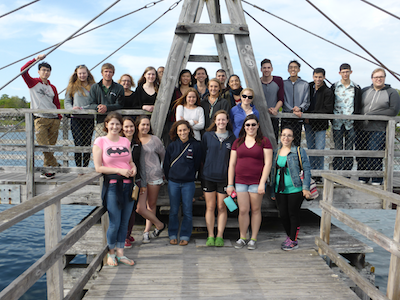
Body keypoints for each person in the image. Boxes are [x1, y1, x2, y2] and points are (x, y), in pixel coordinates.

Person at [92, 112, 136, 266]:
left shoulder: (125, 141)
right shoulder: (100, 141)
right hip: (112, 185)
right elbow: (98, 168)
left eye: (118, 124)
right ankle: (111, 253)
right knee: (115, 222)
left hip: (128, 185)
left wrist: (133, 167)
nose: (115, 126)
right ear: (106, 125)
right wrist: (119, 171)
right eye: (112, 123)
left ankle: (121, 253)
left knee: (125, 222)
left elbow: (130, 161)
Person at [227, 115, 273, 250]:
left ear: (258, 125)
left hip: (256, 182)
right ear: (244, 127)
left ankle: (253, 238)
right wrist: (230, 184)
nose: (250, 127)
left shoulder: (264, 141)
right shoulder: (238, 142)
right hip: (240, 181)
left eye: (253, 124)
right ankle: (242, 237)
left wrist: (262, 183)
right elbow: (232, 164)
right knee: (243, 210)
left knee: (256, 209)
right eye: (248, 125)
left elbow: (268, 163)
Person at [270, 126, 311, 251]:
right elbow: (272, 173)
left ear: (293, 138)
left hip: (295, 189)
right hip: (280, 190)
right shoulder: (276, 152)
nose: (285, 138)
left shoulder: (298, 151)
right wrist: (272, 190)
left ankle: (293, 240)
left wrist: (306, 188)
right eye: (283, 135)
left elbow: (307, 170)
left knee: (293, 214)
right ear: (280, 137)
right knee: (283, 215)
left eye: (289, 135)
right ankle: (289, 236)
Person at [356, 68, 400, 185]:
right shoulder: (365, 90)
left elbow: (393, 111)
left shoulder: (391, 92)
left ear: (384, 78)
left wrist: (372, 115)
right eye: (376, 77)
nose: (378, 79)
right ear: (372, 78)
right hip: (361, 128)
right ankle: (363, 177)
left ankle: (376, 178)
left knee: (374, 153)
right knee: (361, 154)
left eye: (381, 77)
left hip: (378, 129)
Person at [21, 53, 61, 179]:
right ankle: (55, 165)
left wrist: (59, 116)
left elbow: (57, 103)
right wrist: (36, 59)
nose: (46, 72)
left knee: (51, 146)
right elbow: (23, 71)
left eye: (48, 70)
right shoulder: (33, 83)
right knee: (43, 145)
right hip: (40, 118)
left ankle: (47, 171)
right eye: (43, 70)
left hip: (54, 119)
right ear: (39, 71)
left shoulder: (52, 87)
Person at [163, 120, 202, 246]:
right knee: (174, 210)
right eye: (180, 130)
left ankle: (185, 234)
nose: (183, 132)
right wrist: (171, 178)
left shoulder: (195, 145)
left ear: (189, 130)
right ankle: (173, 234)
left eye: (185, 129)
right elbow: (166, 165)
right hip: (173, 182)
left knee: (187, 210)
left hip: (188, 183)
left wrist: (190, 175)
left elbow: (197, 164)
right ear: (176, 132)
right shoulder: (172, 146)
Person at [201, 110, 236, 247]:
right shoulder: (207, 136)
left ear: (227, 121)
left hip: (224, 178)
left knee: (222, 207)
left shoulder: (233, 138)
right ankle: (210, 235)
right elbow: (203, 156)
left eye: (224, 119)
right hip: (208, 176)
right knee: (210, 206)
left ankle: (220, 235)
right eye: (218, 120)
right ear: (214, 121)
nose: (221, 122)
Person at [136, 115, 167, 243]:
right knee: (139, 208)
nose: (145, 127)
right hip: (140, 178)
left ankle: (146, 232)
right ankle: (160, 224)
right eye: (143, 124)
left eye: (147, 124)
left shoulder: (155, 139)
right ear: (137, 125)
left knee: (151, 204)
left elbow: (164, 156)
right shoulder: (134, 140)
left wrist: (162, 170)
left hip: (154, 176)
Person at [304, 68, 334, 183]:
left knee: (320, 150)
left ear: (324, 77)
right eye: (316, 77)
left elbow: (328, 109)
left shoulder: (327, 91)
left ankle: (319, 173)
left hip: (320, 124)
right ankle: (312, 173)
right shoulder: (309, 87)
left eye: (320, 77)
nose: (318, 79)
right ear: (313, 77)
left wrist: (310, 115)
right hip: (308, 124)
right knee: (311, 149)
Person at [331, 63, 362, 173]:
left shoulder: (356, 88)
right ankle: (337, 172)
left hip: (351, 123)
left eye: (347, 71)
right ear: (340, 73)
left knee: (349, 149)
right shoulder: (334, 86)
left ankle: (347, 173)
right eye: (343, 72)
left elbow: (359, 104)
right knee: (338, 148)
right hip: (337, 122)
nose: (345, 74)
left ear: (350, 72)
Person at [121, 116, 146, 248]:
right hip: (121, 180)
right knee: (123, 208)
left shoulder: (137, 143)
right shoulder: (118, 143)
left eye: (131, 126)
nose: (129, 129)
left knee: (131, 209)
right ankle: (123, 236)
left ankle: (128, 233)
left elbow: (141, 164)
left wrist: (143, 183)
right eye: (126, 127)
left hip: (135, 181)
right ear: (122, 128)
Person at [65, 65, 96, 169]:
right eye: (80, 73)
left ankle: (85, 167)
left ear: (87, 74)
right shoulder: (72, 86)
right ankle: (79, 168)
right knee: (78, 143)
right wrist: (72, 108)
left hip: (89, 118)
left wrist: (84, 108)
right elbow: (67, 101)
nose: (82, 75)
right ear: (77, 74)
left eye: (84, 73)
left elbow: (95, 102)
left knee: (87, 144)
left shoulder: (93, 86)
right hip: (76, 118)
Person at [88, 63, 124, 138]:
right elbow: (91, 104)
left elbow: (120, 104)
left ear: (113, 73)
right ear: (102, 73)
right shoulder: (95, 87)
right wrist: (98, 107)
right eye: (106, 71)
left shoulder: (119, 88)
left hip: (116, 122)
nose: (108, 74)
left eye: (110, 72)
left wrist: (107, 108)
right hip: (101, 122)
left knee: (115, 144)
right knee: (99, 145)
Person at [282, 60, 310, 146]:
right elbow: (282, 100)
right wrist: (291, 110)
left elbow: (306, 101)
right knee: (285, 143)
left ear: (299, 70)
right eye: (291, 67)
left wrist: (299, 108)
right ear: (288, 70)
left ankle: (296, 159)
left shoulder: (305, 84)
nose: (293, 69)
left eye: (295, 67)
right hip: (286, 118)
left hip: (298, 119)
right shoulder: (283, 84)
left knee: (297, 143)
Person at [164, 69, 194, 147]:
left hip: (190, 120)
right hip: (173, 120)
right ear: (180, 78)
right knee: (172, 142)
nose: (185, 78)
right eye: (183, 76)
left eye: (188, 76)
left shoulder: (194, 91)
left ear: (191, 78)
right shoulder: (174, 91)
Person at [260, 58, 284, 140]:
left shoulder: (278, 80)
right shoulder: (257, 82)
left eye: (268, 68)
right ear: (261, 69)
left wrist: (275, 109)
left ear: (272, 69)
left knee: (274, 141)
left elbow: (281, 99)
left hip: (274, 116)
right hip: (260, 117)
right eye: (264, 68)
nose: (266, 70)